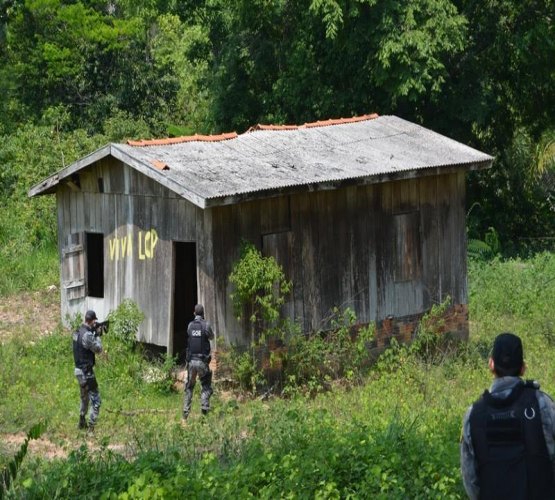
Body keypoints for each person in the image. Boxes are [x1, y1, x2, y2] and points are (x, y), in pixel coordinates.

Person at [460, 332, 555, 499]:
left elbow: (471, 483)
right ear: (523, 368)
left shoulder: (473, 415)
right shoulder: (542, 404)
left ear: (491, 364)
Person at [73, 310, 103, 430]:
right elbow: (98, 349)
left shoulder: (77, 332)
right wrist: (98, 335)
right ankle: (91, 428)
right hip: (87, 372)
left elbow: (80, 347)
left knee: (84, 397)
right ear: (92, 321)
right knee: (96, 401)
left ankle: (81, 421)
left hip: (78, 371)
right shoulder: (88, 335)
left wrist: (93, 331)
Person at [183, 304, 214, 420]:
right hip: (202, 362)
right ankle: (204, 414)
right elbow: (211, 337)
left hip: (191, 362)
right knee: (205, 386)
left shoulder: (190, 325)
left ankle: (185, 415)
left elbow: (190, 337)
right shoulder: (206, 325)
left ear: (194, 313)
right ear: (203, 313)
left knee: (189, 387)